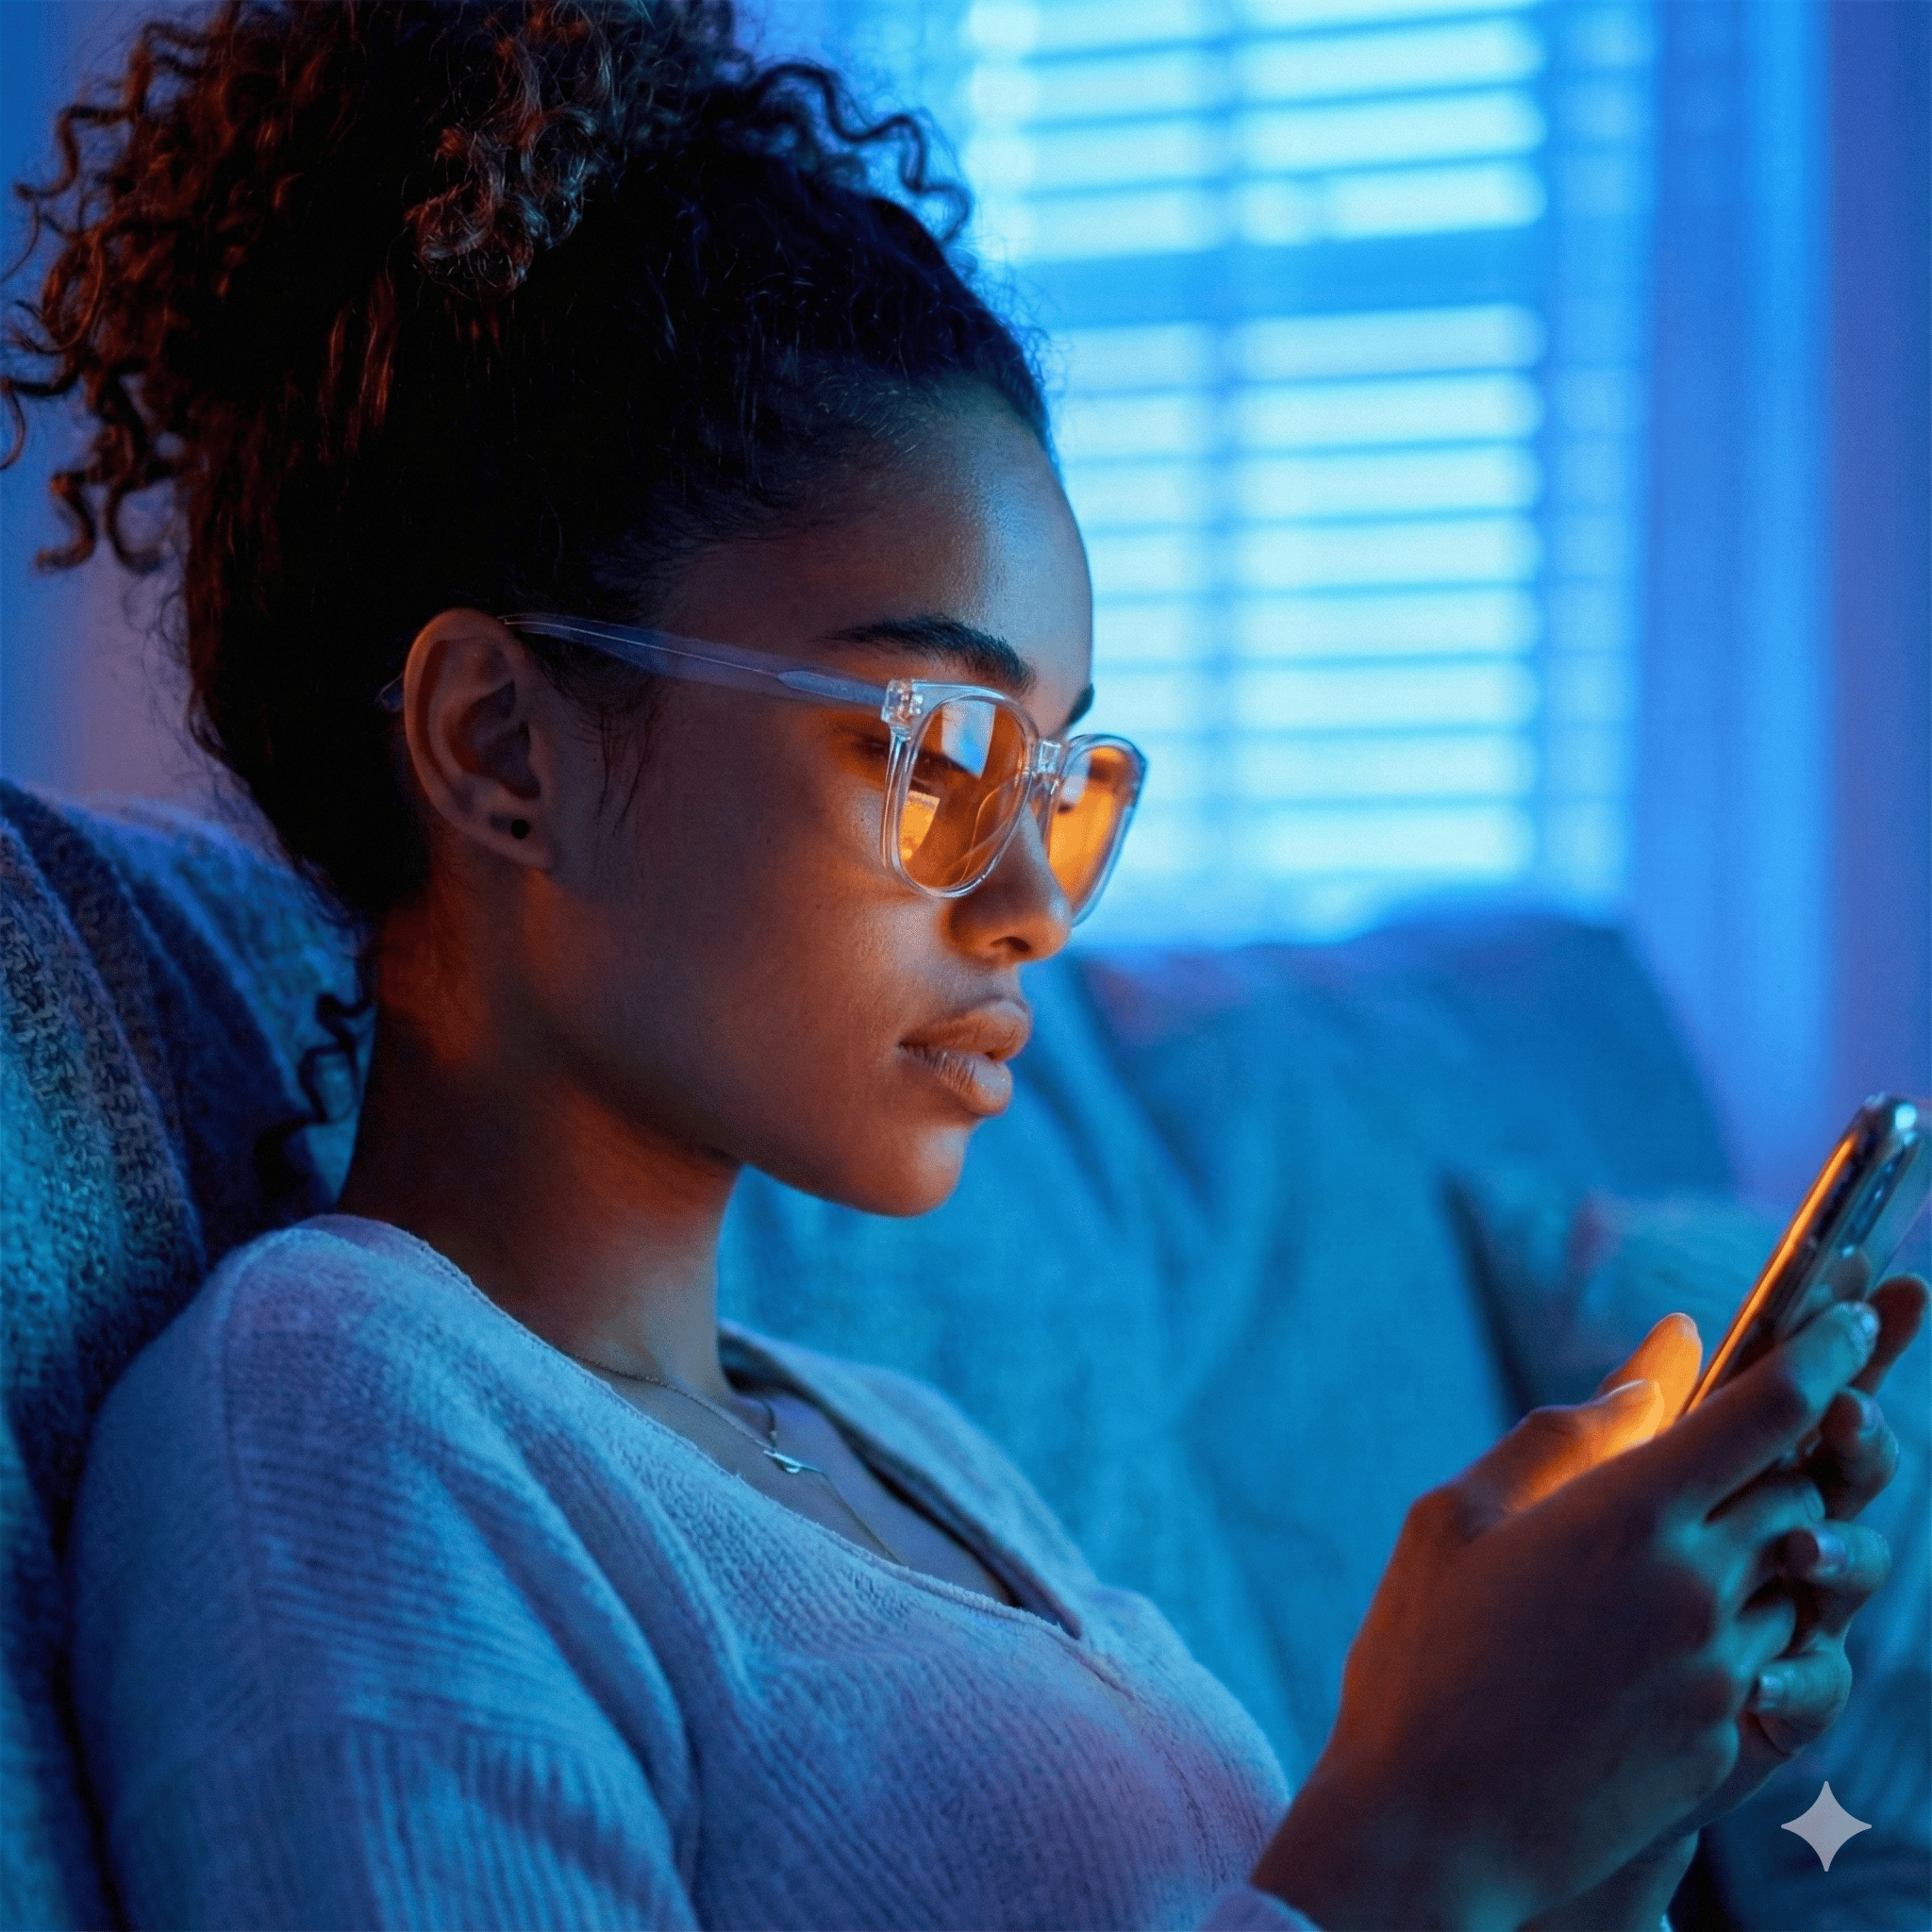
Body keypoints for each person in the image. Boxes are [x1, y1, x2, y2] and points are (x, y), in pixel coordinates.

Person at [7, 3, 1923, 1927]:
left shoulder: (889, 1443)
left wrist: (1603, 1781)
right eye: (936, 751)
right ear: (503, 745)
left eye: (1063, 770)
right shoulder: (341, 1429)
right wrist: (1428, 1821)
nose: (1035, 898)